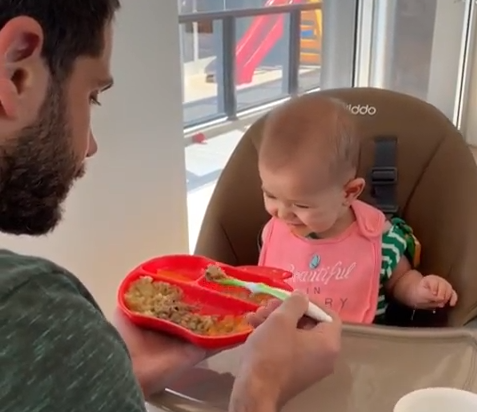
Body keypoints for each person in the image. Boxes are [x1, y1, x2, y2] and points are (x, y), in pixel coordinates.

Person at [0, 2, 342, 411]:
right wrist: (260, 390)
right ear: (17, 71)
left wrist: (116, 374)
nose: (90, 148)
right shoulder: (37, 320)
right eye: (92, 95)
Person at [257, 95, 458, 324]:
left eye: (301, 205)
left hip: (360, 349)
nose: (281, 213)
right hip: (282, 342)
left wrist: (418, 290)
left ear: (349, 193)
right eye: (270, 195)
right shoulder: (274, 233)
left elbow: (400, 280)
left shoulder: (380, 239)